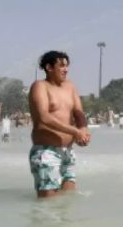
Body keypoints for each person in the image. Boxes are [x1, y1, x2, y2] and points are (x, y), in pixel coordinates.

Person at [28, 50, 91, 198]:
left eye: (67, 66)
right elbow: (44, 117)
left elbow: (78, 112)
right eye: (61, 65)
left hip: (67, 153)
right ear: (49, 68)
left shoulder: (70, 87)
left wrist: (83, 129)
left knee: (67, 201)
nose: (66, 69)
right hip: (46, 152)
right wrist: (75, 132)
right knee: (47, 206)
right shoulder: (40, 86)